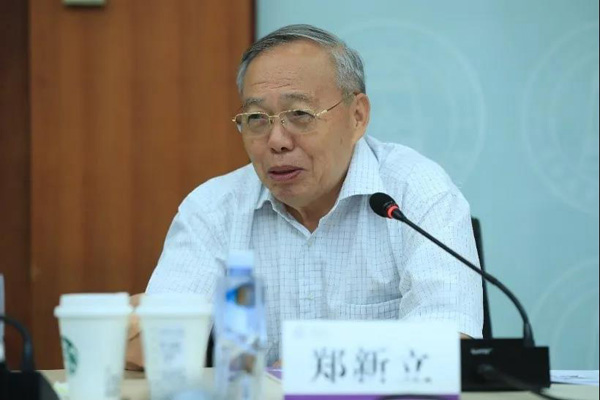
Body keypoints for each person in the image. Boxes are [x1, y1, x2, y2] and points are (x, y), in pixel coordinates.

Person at [125, 24, 483, 370]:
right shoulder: (213, 209)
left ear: (357, 116)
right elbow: (163, 339)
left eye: (299, 114)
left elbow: (450, 335)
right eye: (256, 118)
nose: (277, 141)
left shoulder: (415, 191)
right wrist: (146, 338)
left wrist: (318, 360)